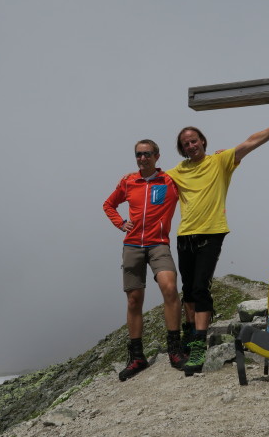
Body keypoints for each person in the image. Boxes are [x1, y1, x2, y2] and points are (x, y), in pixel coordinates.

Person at [166, 105, 269, 376]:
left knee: (200, 287)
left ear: (203, 142)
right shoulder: (176, 172)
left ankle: (198, 344)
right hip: (185, 235)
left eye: (194, 141)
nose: (191, 146)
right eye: (186, 144)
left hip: (212, 232)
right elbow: (152, 182)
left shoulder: (220, 161)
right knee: (188, 290)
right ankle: (189, 334)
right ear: (182, 149)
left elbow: (250, 143)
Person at [103, 139, 187, 381]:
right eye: (138, 154)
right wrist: (120, 223)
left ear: (157, 156)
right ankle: (137, 356)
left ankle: (175, 349)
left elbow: (196, 182)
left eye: (147, 154)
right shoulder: (128, 181)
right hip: (132, 245)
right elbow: (109, 205)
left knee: (169, 288)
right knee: (133, 299)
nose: (142, 158)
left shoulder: (170, 181)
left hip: (159, 244)